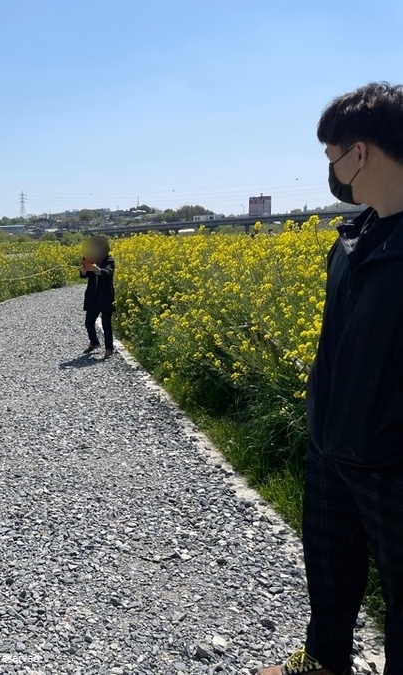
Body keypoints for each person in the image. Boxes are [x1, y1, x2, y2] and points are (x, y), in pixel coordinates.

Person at [259, 82, 403, 675]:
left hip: (393, 461)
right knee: (329, 571)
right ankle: (322, 661)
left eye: (332, 157)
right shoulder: (350, 242)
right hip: (330, 446)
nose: (333, 172)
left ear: (360, 153)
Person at [79, 235, 115, 357]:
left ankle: (109, 348)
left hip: (105, 296)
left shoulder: (109, 260)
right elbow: (86, 274)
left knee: (106, 324)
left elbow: (108, 273)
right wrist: (83, 271)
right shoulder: (91, 258)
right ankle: (94, 342)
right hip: (93, 296)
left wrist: (97, 269)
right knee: (89, 322)